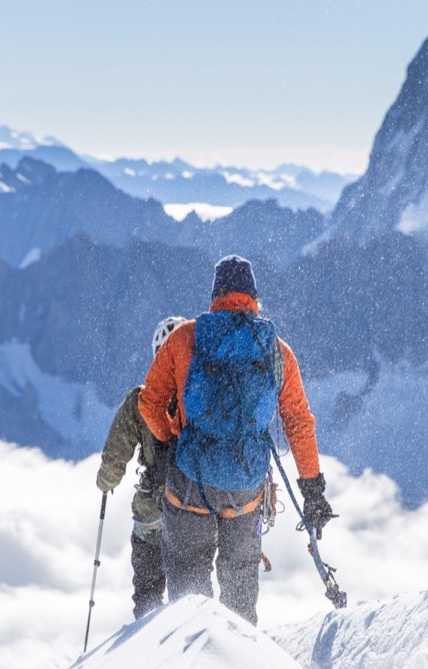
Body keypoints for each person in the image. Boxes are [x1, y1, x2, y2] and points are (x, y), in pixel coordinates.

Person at [138, 255, 334, 625]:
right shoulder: (276, 351)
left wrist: (175, 437)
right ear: (253, 297)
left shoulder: (186, 337)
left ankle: (190, 660)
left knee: (188, 587)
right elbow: (298, 423)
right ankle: (240, 662)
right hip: (246, 488)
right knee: (240, 581)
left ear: (215, 294)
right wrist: (313, 490)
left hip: (190, 484)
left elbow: (148, 403)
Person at [95, 316, 186, 620]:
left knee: (147, 591)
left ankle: (145, 646)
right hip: (193, 507)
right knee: (189, 590)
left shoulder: (140, 400)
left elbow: (117, 447)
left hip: (153, 511)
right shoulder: (198, 397)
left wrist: (106, 481)